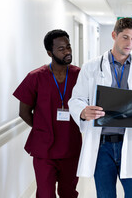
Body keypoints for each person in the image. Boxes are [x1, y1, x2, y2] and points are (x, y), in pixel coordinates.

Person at [68, 18, 132, 198]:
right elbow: (76, 99)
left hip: (131, 143)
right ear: (114, 35)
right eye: (125, 37)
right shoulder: (91, 67)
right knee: (105, 195)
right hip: (102, 146)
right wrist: (83, 111)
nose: (129, 43)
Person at [13, 29, 82, 198]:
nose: (67, 51)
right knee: (45, 194)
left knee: (69, 192)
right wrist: (42, 128)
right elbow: (24, 112)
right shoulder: (35, 77)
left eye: (68, 47)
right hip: (45, 149)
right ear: (50, 53)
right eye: (61, 49)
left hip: (70, 147)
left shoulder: (79, 75)